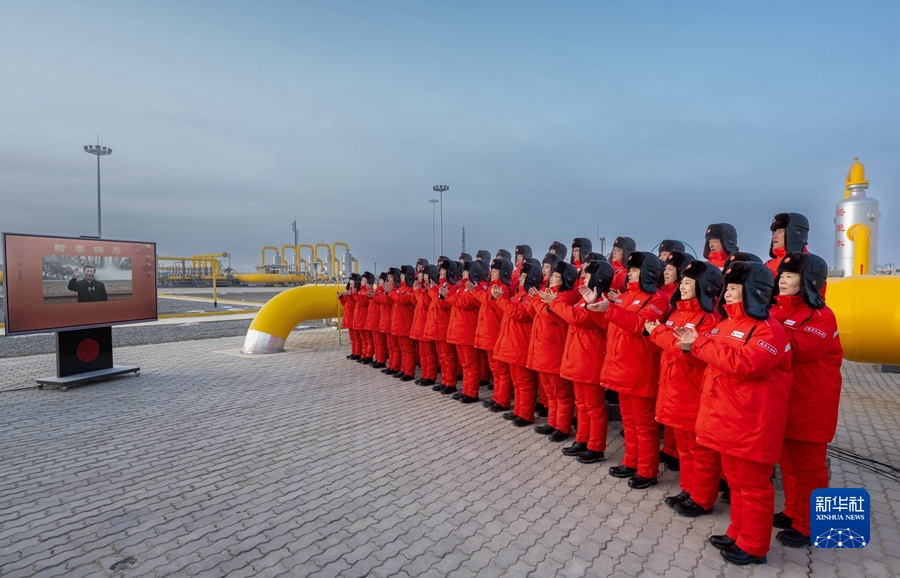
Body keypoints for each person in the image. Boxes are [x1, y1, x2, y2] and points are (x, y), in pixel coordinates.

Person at [680, 261, 791, 566]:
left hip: (752, 422)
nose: (727, 294)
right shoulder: (727, 324)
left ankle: (754, 546)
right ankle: (737, 533)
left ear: (753, 292)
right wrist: (694, 342)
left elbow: (746, 364)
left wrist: (700, 343)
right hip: (728, 419)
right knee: (736, 482)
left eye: (733, 289)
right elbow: (715, 353)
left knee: (753, 486)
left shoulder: (770, 331)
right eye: (727, 288)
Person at [770, 252, 842, 548]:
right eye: (782, 275)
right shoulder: (776, 310)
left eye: (790, 275)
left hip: (811, 404)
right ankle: (793, 510)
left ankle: (811, 525)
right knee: (788, 461)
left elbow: (798, 348)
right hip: (786, 400)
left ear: (809, 282)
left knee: (809, 467)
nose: (783, 279)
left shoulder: (822, 316)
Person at [646, 260, 723, 516]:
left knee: (700, 452)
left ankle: (702, 498)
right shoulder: (677, 313)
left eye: (689, 283)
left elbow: (687, 353)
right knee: (684, 448)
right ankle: (688, 489)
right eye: (683, 282)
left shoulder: (709, 318)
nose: (682, 286)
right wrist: (658, 334)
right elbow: (671, 346)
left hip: (694, 391)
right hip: (674, 388)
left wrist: (659, 334)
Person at [592, 251, 670, 489]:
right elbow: (613, 323)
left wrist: (610, 309)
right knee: (629, 422)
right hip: (622, 368)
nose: (629, 274)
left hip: (640, 370)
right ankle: (631, 461)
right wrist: (594, 305)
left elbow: (640, 326)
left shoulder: (657, 300)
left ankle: (647, 470)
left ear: (646, 273)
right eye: (630, 270)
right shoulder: (626, 297)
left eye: (634, 270)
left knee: (645, 425)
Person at [548, 258, 615, 462]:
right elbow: (575, 314)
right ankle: (582, 439)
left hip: (590, 359)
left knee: (594, 407)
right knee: (582, 404)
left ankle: (596, 446)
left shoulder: (601, 301)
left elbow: (578, 318)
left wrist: (554, 303)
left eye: (587, 275)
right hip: (579, 358)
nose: (583, 279)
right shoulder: (585, 299)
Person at [528, 261, 579, 442]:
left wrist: (537, 300)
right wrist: (541, 300)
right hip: (543, 350)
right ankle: (553, 422)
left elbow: (548, 313)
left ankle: (563, 427)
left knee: (562, 393)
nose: (551, 279)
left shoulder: (566, 297)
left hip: (555, 352)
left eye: (557, 277)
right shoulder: (551, 295)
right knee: (550, 392)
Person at [493, 258, 541, 426]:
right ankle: (519, 410)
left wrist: (501, 299)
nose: (520, 279)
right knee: (517, 381)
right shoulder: (519, 295)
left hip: (521, 344)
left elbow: (519, 315)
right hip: (513, 343)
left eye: (523, 277)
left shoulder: (530, 297)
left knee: (524, 382)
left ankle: (526, 414)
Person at [448, 260, 486, 403]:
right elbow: (457, 300)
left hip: (467, 331)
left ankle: (471, 392)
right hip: (459, 330)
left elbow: (464, 303)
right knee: (465, 364)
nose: (463, 274)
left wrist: (448, 296)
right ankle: (466, 390)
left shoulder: (476, 287)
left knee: (471, 364)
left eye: (465, 272)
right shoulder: (462, 288)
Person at [480, 258, 514, 412]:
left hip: (497, 333)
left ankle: (503, 400)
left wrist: (494, 296)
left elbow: (497, 308)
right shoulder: (492, 287)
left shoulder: (503, 289)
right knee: (496, 371)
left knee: (502, 371)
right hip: (490, 333)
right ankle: (497, 397)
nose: (492, 273)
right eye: (492, 271)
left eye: (495, 271)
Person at [389, 266, 418, 381]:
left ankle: (409, 372)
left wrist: (390, 292)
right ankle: (404, 369)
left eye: (402, 275)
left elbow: (403, 300)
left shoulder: (410, 290)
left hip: (406, 324)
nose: (400, 277)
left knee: (408, 349)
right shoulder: (401, 289)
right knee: (403, 349)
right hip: (399, 323)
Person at [411, 265, 437, 385]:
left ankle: (430, 376)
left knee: (429, 354)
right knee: (423, 354)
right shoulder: (423, 290)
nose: (423, 278)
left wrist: (418, 292)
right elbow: (414, 301)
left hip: (427, 324)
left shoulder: (431, 289)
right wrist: (416, 291)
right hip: (420, 325)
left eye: (425, 276)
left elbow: (426, 302)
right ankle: (425, 375)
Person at [367, 273, 389, 369]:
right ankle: (378, 358)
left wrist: (374, 296)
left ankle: (381, 360)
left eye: (382, 280)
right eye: (379, 280)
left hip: (380, 320)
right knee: (377, 341)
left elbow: (384, 301)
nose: (380, 282)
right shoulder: (377, 291)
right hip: (376, 320)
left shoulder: (383, 292)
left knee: (380, 342)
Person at [338, 274, 361, 360]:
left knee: (357, 338)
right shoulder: (349, 292)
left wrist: (349, 296)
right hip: (349, 318)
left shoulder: (357, 293)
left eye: (353, 281)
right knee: (352, 338)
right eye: (350, 281)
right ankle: (354, 352)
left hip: (354, 318)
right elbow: (345, 304)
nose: (351, 282)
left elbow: (354, 303)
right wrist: (341, 297)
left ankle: (358, 352)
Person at [354, 272, 375, 364]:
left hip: (366, 318)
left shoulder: (368, 292)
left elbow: (364, 303)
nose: (362, 282)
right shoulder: (361, 292)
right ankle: (364, 354)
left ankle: (369, 355)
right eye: (362, 280)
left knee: (368, 339)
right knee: (363, 339)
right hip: (360, 318)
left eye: (364, 280)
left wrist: (355, 294)